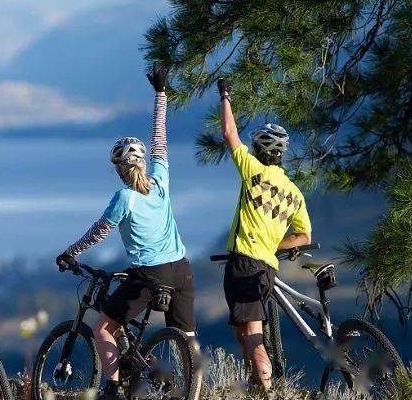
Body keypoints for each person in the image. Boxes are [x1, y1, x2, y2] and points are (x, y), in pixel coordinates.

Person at [56, 66, 196, 400]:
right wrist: (161, 94)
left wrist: (70, 253)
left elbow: (97, 233)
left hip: (150, 273)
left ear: (119, 169)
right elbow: (160, 139)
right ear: (143, 163)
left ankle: (114, 387)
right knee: (187, 339)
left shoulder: (125, 197)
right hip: (182, 269)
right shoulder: (160, 182)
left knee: (105, 327)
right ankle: (193, 387)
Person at [216, 78, 311, 392]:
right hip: (268, 267)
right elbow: (304, 236)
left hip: (244, 264)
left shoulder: (252, 171)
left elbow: (229, 133)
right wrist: (277, 244)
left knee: (253, 336)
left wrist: (225, 95)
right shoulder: (294, 192)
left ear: (258, 149)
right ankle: (258, 387)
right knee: (243, 331)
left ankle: (268, 391)